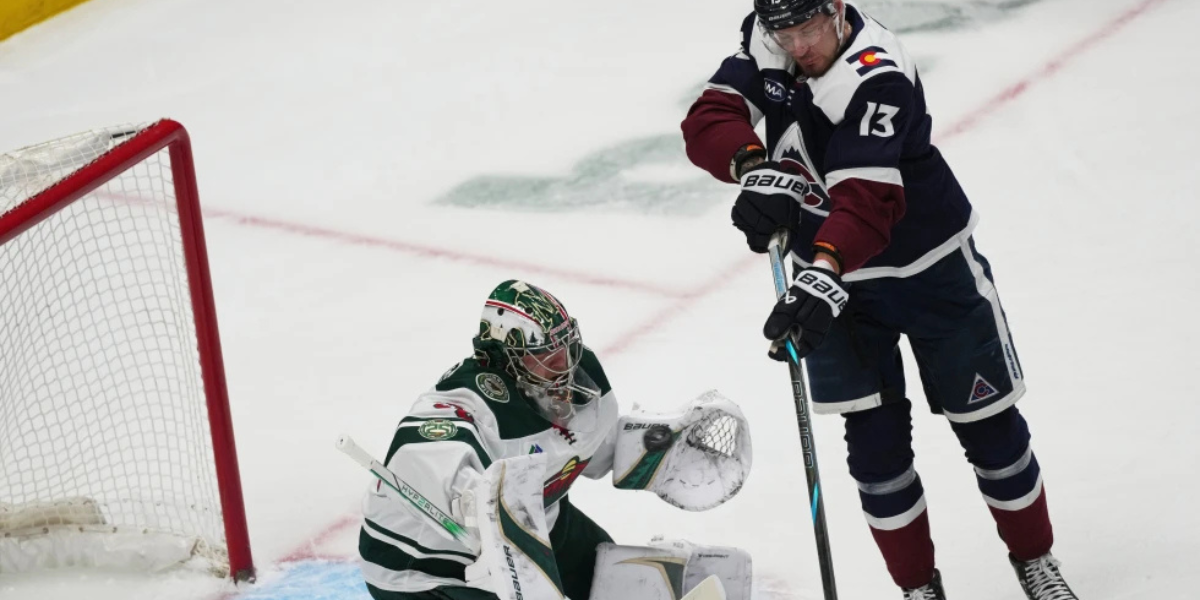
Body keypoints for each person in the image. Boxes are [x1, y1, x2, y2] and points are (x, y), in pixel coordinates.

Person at [680, 1, 1078, 599]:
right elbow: (712, 114)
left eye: (807, 30)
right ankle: (918, 588)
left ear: (838, 10)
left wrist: (823, 272)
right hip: (835, 273)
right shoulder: (773, 40)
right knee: (875, 451)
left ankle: (1035, 561)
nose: (795, 48)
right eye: (782, 33)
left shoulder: (877, 74)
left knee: (989, 428)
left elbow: (867, 200)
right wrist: (754, 165)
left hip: (929, 269)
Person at [357, 280, 754, 600]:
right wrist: (472, 498)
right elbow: (422, 453)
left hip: (537, 524)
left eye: (564, 346)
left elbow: (587, 451)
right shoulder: (463, 405)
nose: (563, 364)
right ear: (502, 357)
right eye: (544, 354)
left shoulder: (583, 380)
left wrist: (651, 449)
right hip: (423, 570)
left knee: (624, 583)